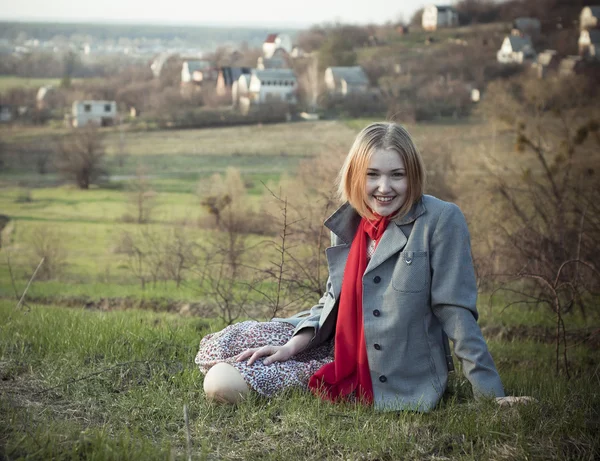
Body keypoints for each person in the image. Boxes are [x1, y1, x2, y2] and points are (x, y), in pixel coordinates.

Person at [196, 122, 525, 411]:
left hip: (377, 368)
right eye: (373, 175)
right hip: (333, 340)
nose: (384, 188)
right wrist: (290, 347)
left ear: (413, 176)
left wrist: (490, 395)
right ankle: (282, 348)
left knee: (221, 383)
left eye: (397, 175)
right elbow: (332, 298)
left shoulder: (440, 221)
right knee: (232, 342)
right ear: (356, 175)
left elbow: (456, 312)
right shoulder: (350, 221)